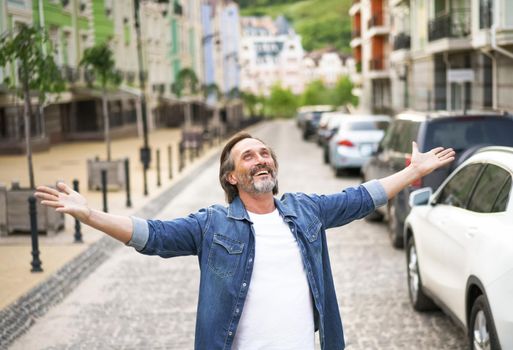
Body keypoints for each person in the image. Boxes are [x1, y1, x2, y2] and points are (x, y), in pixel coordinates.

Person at [35, 132, 455, 350]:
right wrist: (90, 215)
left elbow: (361, 197)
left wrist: (413, 172)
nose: (261, 159)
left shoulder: (305, 210)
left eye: (265, 153)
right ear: (231, 177)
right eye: (248, 157)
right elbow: (153, 236)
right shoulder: (213, 224)